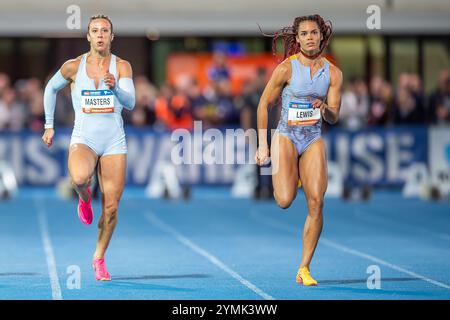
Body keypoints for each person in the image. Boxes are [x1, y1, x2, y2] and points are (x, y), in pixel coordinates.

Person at [41, 14, 135, 281]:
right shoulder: (73, 66)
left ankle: (99, 257)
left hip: (114, 140)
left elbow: (130, 103)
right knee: (80, 178)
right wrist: (49, 125)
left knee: (112, 207)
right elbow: (50, 89)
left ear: (112, 37)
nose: (101, 35)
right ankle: (84, 198)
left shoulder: (122, 66)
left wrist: (116, 88)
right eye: (96, 30)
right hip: (85, 138)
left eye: (105, 30)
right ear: (89, 36)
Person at [255, 14, 342, 286]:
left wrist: (325, 108)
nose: (309, 38)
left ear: (321, 35)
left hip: (313, 137)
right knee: (284, 200)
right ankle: (296, 174)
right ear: (298, 38)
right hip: (286, 136)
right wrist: (262, 145)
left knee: (317, 202)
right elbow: (263, 105)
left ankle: (304, 268)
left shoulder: (333, 73)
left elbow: (334, 117)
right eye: (303, 34)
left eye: (313, 32)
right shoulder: (286, 69)